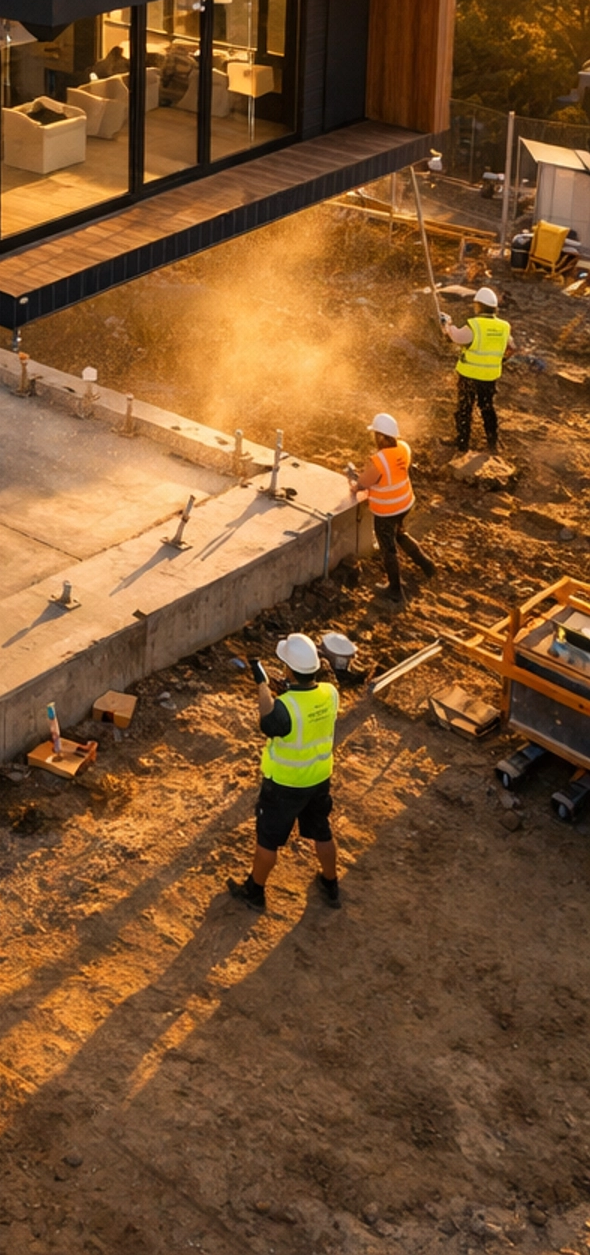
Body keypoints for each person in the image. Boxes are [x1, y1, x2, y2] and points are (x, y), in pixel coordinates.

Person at [229, 632, 342, 913]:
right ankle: (331, 884)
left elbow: (269, 721)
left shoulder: (284, 709)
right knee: (322, 831)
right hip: (318, 779)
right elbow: (308, 709)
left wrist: (263, 685)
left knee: (268, 841)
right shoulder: (330, 693)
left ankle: (255, 891)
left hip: (284, 786)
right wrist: (289, 691)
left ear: (290, 669)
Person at [348, 411, 436, 606]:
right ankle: (428, 566)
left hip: (387, 510)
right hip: (405, 503)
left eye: (375, 435)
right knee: (400, 534)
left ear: (380, 436)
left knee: (388, 547)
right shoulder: (404, 449)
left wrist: (356, 485)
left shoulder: (379, 460)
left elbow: (366, 482)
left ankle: (395, 589)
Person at [445, 286, 511, 453]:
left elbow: (457, 337)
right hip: (490, 377)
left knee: (464, 409)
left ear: (479, 305)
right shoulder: (504, 326)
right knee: (487, 408)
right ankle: (492, 444)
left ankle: (462, 443)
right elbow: (510, 348)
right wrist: (499, 360)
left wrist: (447, 324)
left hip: (469, 376)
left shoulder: (474, 325)